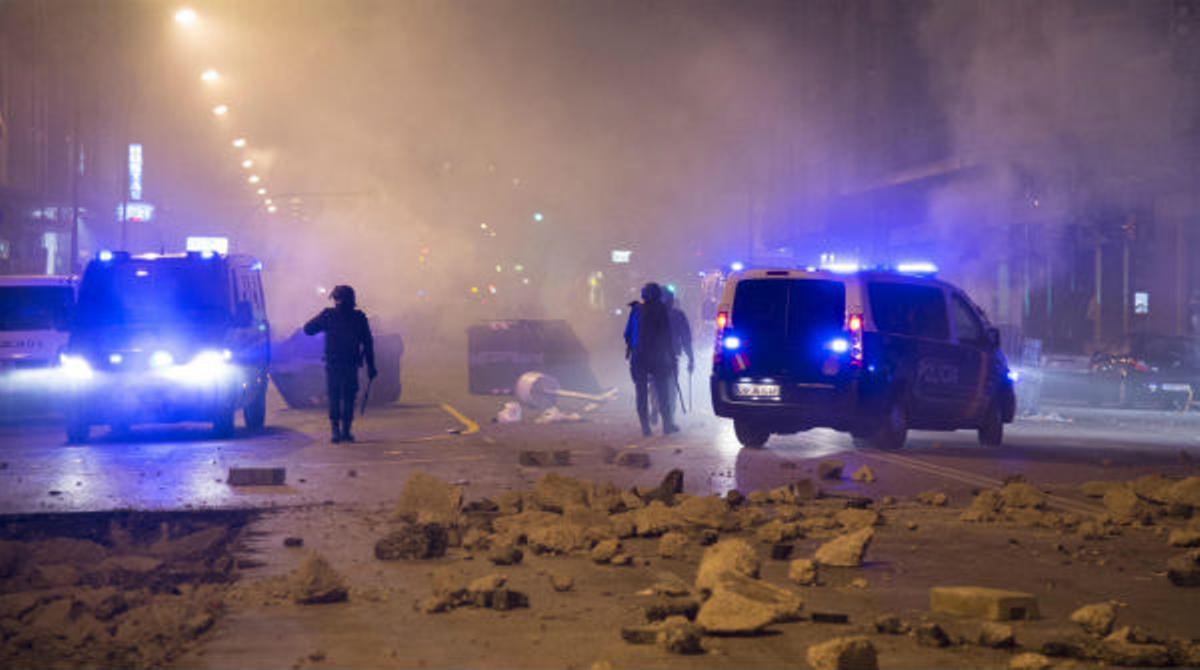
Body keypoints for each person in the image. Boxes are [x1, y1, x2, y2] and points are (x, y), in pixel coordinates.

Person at [304, 284, 377, 443]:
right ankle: (345, 431)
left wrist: (322, 324)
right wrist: (371, 366)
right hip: (349, 364)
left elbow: (308, 329)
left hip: (334, 364)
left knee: (335, 395)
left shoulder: (328, 315)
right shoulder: (359, 317)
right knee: (348, 396)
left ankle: (336, 431)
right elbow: (368, 343)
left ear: (336, 299)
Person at [628, 282, 678, 436]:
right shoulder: (660, 309)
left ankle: (645, 428)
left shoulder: (635, 309)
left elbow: (627, 334)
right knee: (663, 392)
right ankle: (667, 426)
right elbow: (667, 334)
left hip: (638, 357)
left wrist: (631, 350)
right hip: (657, 357)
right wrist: (671, 355)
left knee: (641, 393)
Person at [662, 288, 694, 415]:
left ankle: (656, 405)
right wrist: (691, 358)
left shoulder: (646, 314)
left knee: (655, 384)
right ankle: (669, 415)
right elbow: (686, 338)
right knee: (671, 384)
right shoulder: (678, 315)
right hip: (671, 355)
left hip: (652, 356)